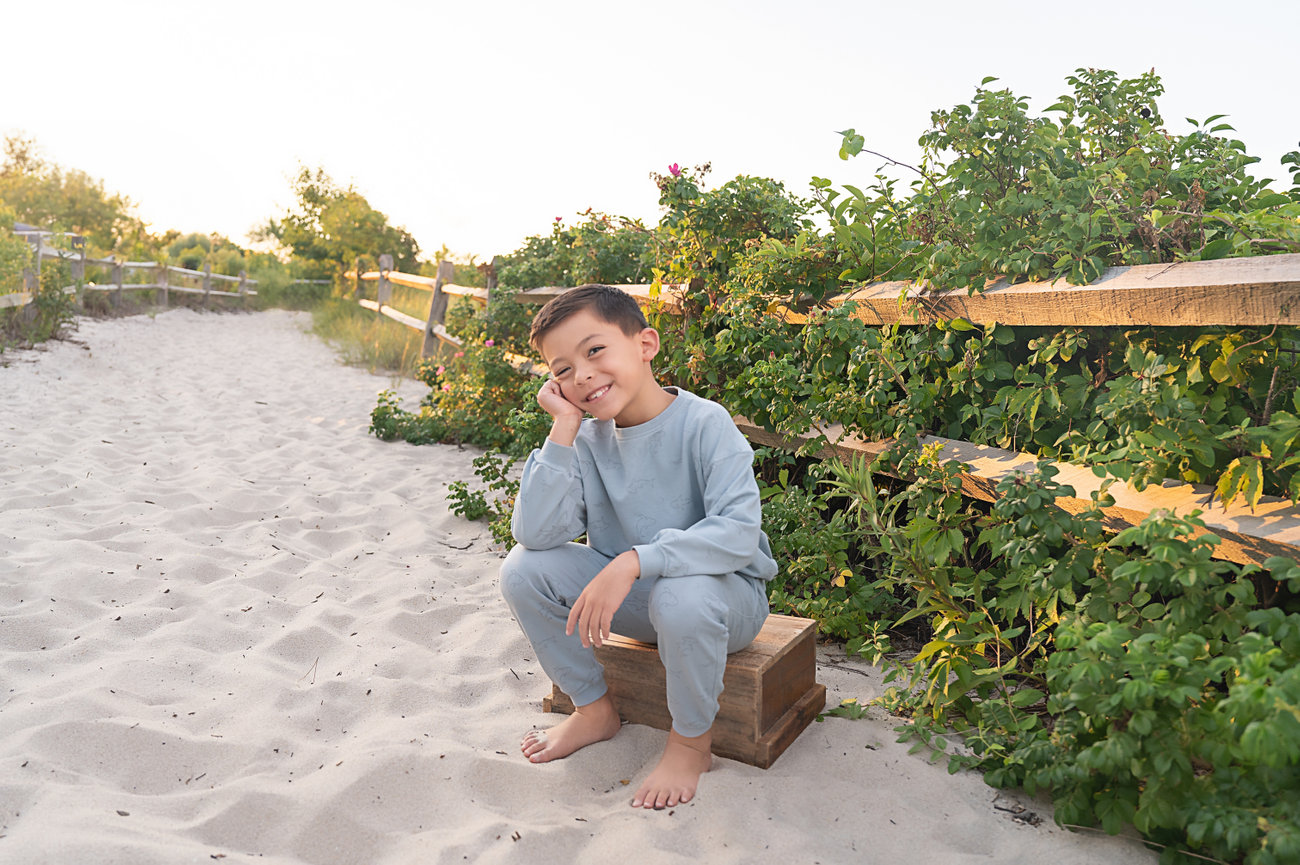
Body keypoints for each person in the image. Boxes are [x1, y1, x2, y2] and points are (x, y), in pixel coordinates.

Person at [499, 283, 777, 810]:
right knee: (521, 570)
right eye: (561, 370)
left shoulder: (704, 423)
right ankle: (594, 709)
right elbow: (534, 535)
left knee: (681, 597)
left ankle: (692, 744)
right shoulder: (584, 438)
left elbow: (738, 533)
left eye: (595, 350)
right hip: (641, 601)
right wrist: (562, 429)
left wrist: (634, 560)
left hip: (721, 602)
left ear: (645, 344)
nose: (580, 375)